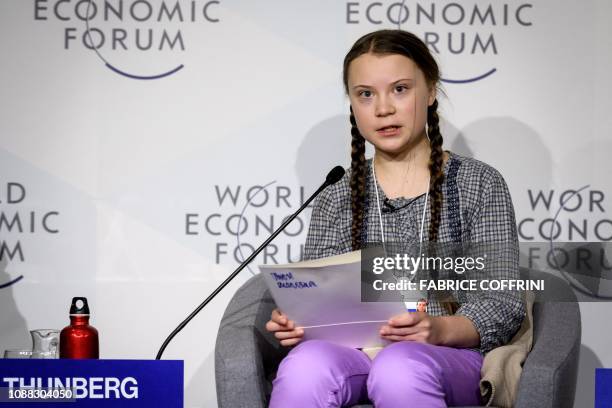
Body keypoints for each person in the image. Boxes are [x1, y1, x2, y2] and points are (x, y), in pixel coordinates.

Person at [265, 29, 525, 407]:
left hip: (446, 355)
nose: (383, 108)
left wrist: (438, 329)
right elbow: (320, 298)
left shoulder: (479, 183)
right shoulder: (337, 193)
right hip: (355, 352)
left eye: (400, 89)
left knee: (399, 366)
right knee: (305, 365)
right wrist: (301, 324)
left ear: (431, 91)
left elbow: (500, 302)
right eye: (365, 94)